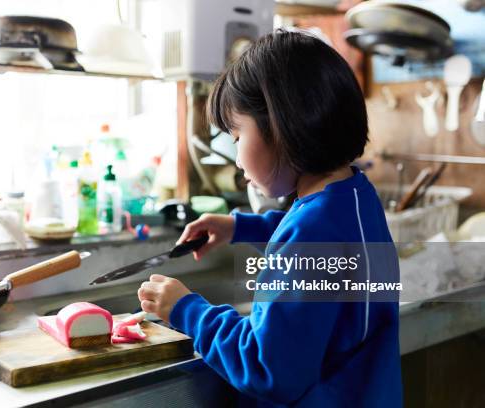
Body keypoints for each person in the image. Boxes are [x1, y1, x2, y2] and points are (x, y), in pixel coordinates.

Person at [137, 28, 402, 407]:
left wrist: (188, 311)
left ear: (280, 126)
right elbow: (328, 244)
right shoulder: (355, 196)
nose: (236, 153)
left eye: (237, 133)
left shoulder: (312, 233)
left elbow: (267, 369)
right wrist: (240, 226)